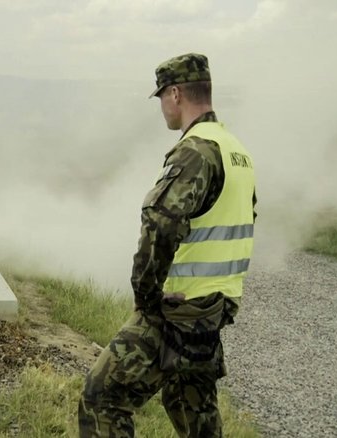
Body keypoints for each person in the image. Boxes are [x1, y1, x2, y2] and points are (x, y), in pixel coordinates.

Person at [78, 53, 257, 437]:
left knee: (102, 398)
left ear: (175, 94)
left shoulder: (195, 150)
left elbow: (161, 222)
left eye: (161, 96)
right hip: (214, 308)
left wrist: (146, 298)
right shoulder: (235, 150)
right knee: (192, 408)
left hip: (179, 308)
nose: (162, 107)